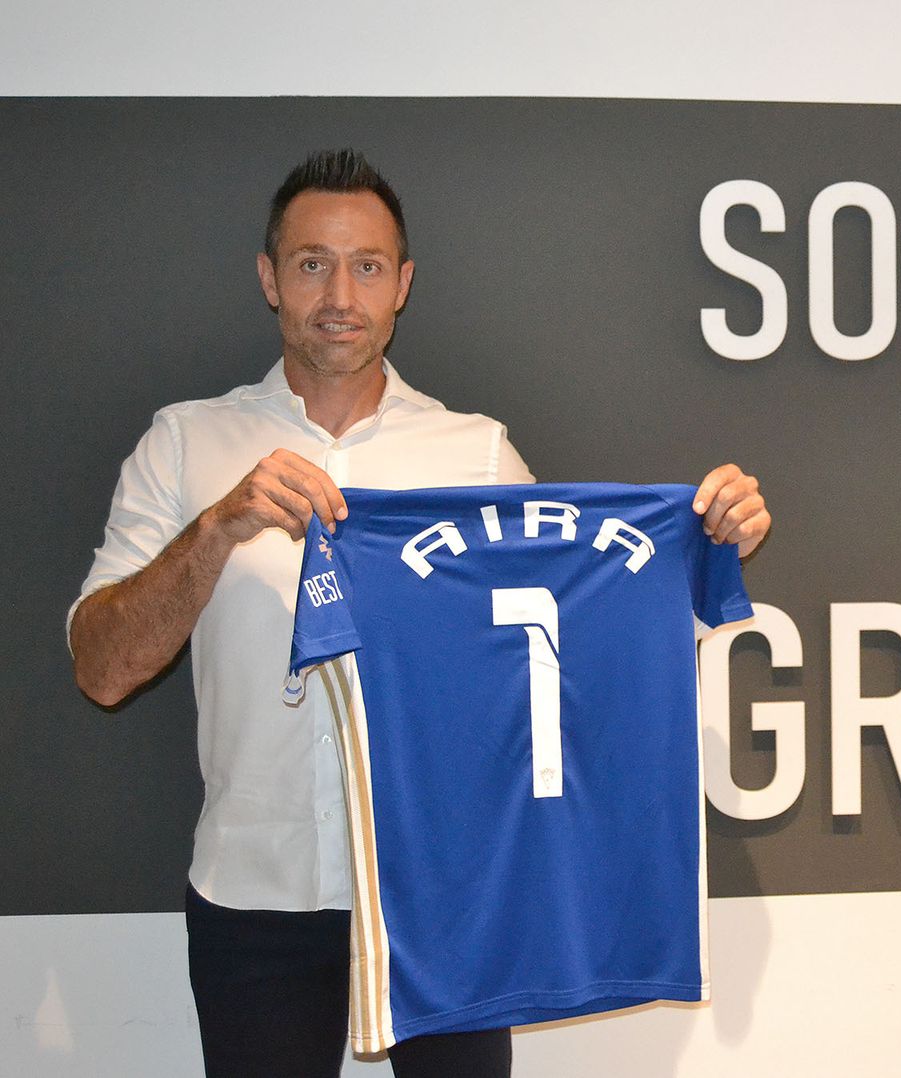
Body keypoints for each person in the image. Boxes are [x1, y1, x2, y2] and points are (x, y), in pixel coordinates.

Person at [68, 149, 770, 1078]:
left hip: (452, 896)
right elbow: (102, 668)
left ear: (403, 285)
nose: (339, 294)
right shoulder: (188, 444)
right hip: (255, 895)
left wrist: (705, 545)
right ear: (269, 279)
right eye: (312, 262)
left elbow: (574, 636)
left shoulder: (474, 457)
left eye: (366, 266)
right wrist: (219, 527)